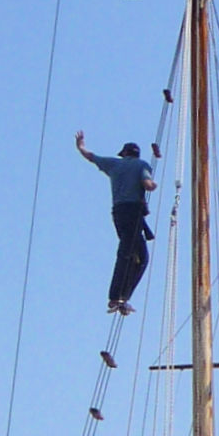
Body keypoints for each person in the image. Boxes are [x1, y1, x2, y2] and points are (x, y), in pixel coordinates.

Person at [75, 132, 156, 313]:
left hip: (119, 214)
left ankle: (120, 296)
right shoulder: (142, 165)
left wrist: (81, 147)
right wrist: (152, 185)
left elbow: (92, 157)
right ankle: (118, 296)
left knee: (129, 253)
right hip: (133, 213)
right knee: (137, 257)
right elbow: (147, 183)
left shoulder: (114, 164)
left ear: (125, 154)